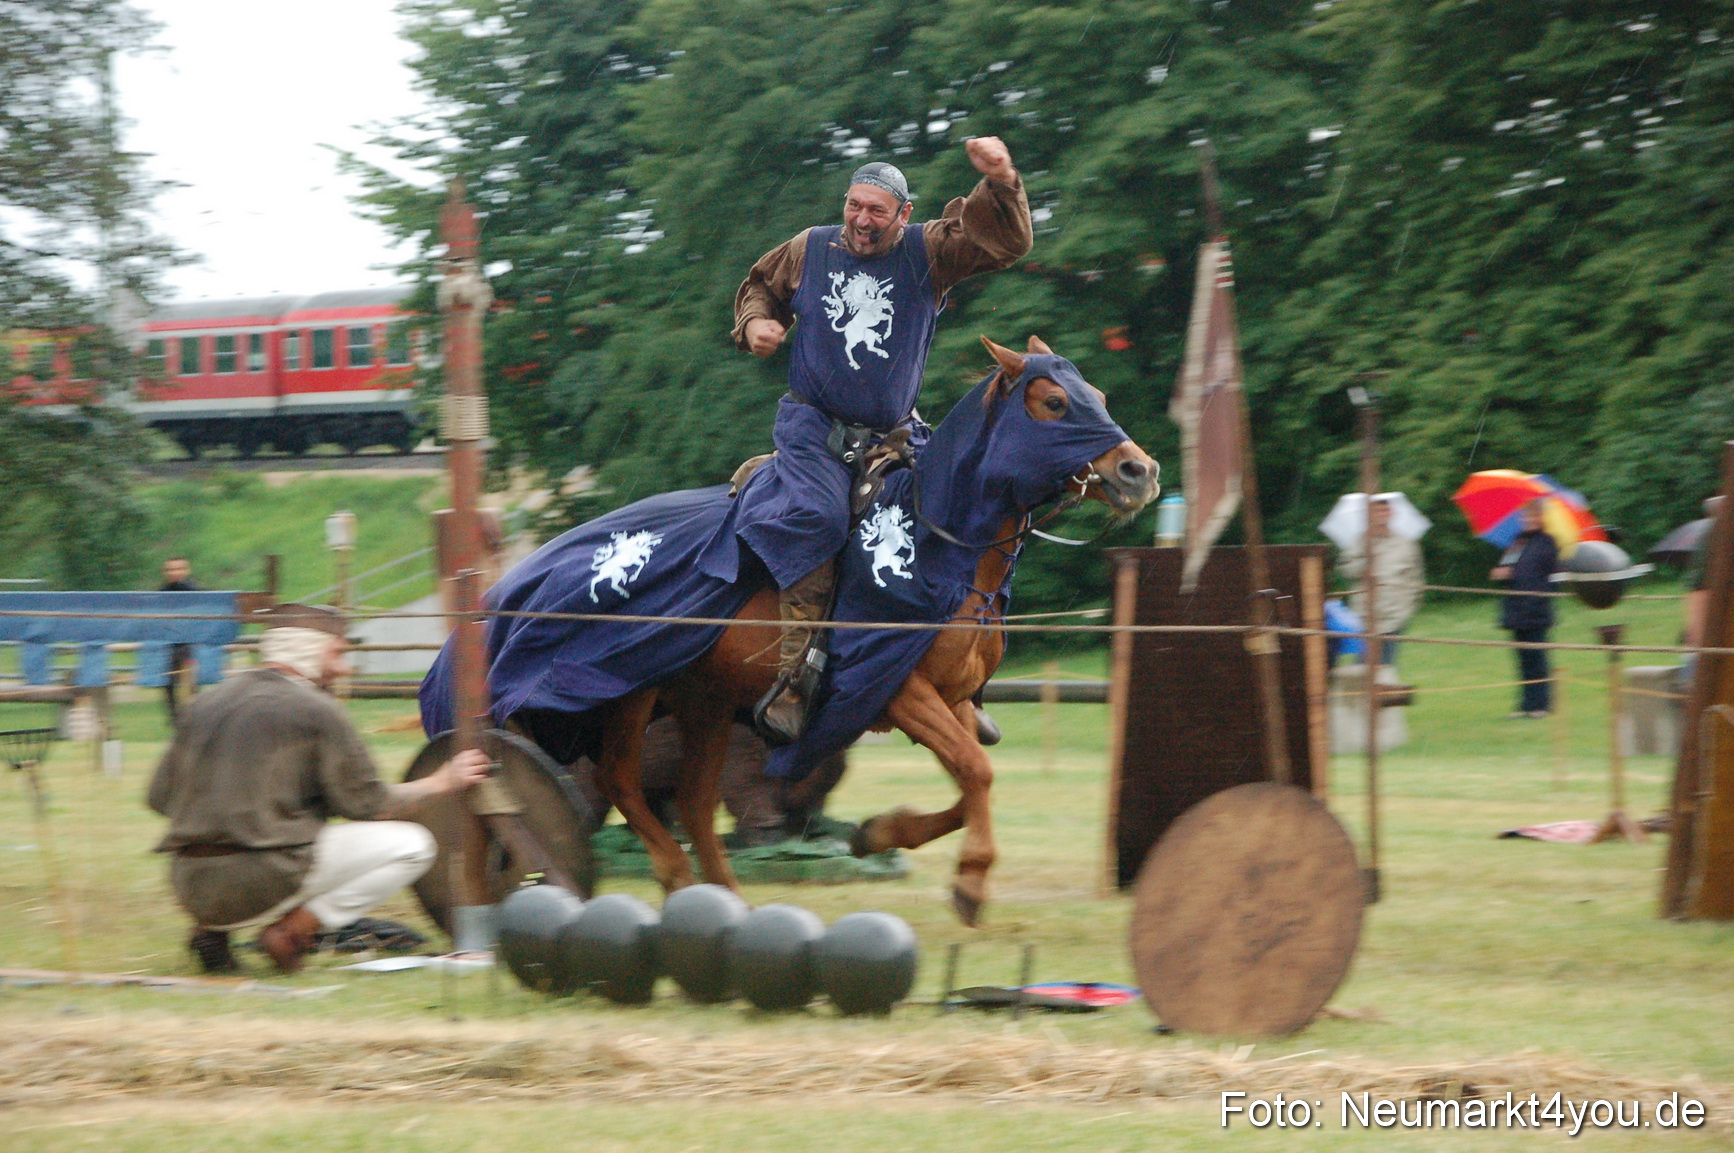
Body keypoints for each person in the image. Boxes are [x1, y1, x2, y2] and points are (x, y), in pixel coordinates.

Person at [733, 137, 1033, 744]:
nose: (862, 221)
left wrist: (1001, 179)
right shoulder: (809, 248)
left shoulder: (929, 252)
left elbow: (1003, 243)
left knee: (963, 511)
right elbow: (760, 286)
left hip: (891, 437)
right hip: (813, 431)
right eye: (854, 206)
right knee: (817, 517)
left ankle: (964, 679)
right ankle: (798, 678)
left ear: (903, 212)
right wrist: (758, 323)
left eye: (876, 211)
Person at [148, 604, 490, 974]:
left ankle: (211, 932)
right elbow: (371, 805)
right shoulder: (317, 709)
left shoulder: (204, 703)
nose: (344, 668)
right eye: (338, 654)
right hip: (265, 880)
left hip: (190, 886)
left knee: (285, 838)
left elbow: (159, 799)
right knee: (413, 846)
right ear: (309, 650)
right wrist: (443, 781)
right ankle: (292, 932)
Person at [1335, 496, 1424, 667]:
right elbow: (1346, 571)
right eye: (1378, 510)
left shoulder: (1406, 543)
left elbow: (1416, 578)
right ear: (1369, 515)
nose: (1383, 513)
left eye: (1386, 509)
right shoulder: (1359, 541)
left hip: (1394, 617)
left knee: (1386, 668)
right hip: (1365, 618)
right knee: (1362, 669)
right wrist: (1364, 561)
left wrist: (1408, 608)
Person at [1491, 501, 1559, 717]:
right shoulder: (1516, 542)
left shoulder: (1548, 543)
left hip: (1537, 610)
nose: (1529, 520)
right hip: (1516, 610)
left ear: (1541, 518)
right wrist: (1501, 574)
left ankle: (1542, 704)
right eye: (1526, 516)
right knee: (1522, 660)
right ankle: (1526, 704)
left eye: (1533, 516)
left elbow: (1554, 576)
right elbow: (1506, 569)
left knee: (1537, 659)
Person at [158, 556, 198, 724]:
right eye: (171, 569)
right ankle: (175, 720)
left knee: (192, 684)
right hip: (170, 646)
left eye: (179, 569)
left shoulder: (196, 593)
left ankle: (194, 717)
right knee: (168, 683)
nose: (175, 573)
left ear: (186, 570)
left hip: (191, 644)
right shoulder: (161, 594)